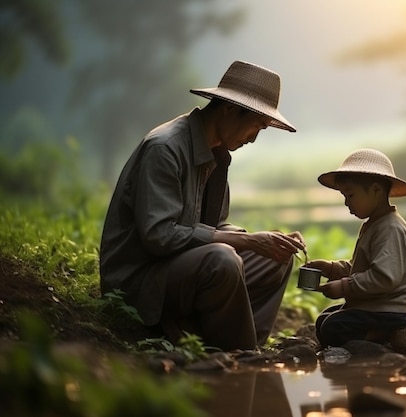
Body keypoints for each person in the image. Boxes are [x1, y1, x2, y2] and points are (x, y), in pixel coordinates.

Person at [99, 60, 306, 351]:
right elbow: (160, 236)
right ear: (230, 109)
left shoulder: (218, 154)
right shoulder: (165, 148)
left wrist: (267, 241)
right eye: (255, 126)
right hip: (141, 279)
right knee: (223, 260)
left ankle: (241, 345)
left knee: (276, 257)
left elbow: (216, 225)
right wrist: (244, 241)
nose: (254, 138)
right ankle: (241, 353)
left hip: (184, 266)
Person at [305, 148, 406, 348]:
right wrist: (331, 269)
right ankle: (373, 336)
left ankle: (382, 337)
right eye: (344, 195)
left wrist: (344, 286)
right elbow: (362, 269)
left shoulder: (390, 228)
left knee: (333, 327)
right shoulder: (374, 224)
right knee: (324, 320)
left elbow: (384, 277)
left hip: (389, 311)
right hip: (374, 306)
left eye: (350, 195)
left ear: (376, 190)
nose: (346, 202)